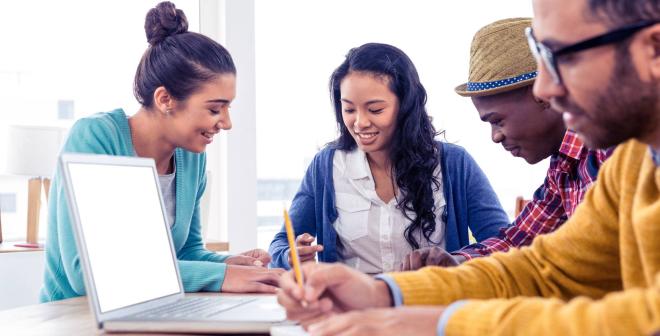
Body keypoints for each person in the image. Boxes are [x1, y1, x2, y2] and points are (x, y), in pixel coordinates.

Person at [277, 0, 660, 334]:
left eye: (564, 57)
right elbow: (544, 268)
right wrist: (384, 293)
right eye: (540, 57)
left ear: (654, 50)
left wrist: (437, 324)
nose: (543, 89)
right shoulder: (628, 163)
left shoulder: (456, 162)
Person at [40, 1, 283, 302]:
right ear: (165, 98)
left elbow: (187, 252)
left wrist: (233, 264)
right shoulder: (96, 139)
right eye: (215, 109)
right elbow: (85, 275)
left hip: (148, 309)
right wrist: (221, 276)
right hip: (74, 316)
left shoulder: (192, 156)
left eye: (227, 108)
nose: (227, 123)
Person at [268, 43, 510, 275]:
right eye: (349, 110)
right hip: (351, 309)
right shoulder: (326, 166)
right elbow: (281, 243)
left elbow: (504, 243)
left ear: (405, 107)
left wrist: (457, 262)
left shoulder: (454, 164)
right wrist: (292, 256)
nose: (360, 122)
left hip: (428, 305)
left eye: (375, 110)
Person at [400, 18, 614, 270]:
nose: (495, 136)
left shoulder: (611, 152)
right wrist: (456, 261)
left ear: (542, 95)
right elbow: (519, 239)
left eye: (497, 121)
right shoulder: (563, 168)